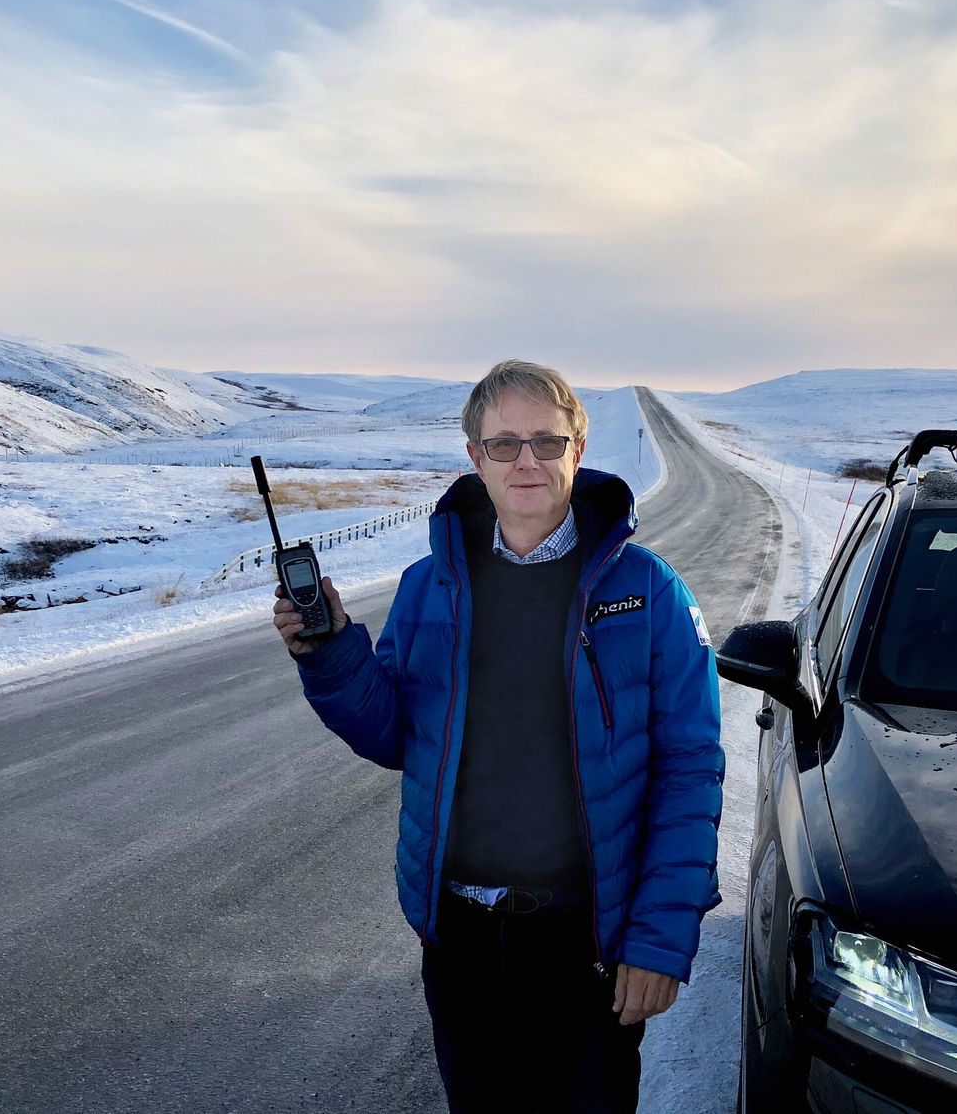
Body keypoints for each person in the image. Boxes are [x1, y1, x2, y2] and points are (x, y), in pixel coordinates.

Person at [273, 359, 723, 1113]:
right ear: (474, 457)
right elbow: (393, 736)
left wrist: (657, 940)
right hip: (461, 940)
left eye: (546, 443)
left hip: (591, 940)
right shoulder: (428, 587)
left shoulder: (650, 593)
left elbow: (690, 771)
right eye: (505, 444)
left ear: (578, 451)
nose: (526, 462)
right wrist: (331, 651)